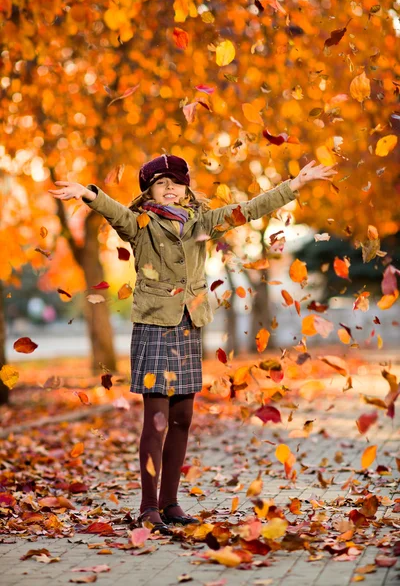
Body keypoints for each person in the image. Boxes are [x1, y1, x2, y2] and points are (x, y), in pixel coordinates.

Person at [48, 154, 337, 535]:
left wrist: (294, 185)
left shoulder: (203, 222)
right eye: (160, 182)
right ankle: (148, 507)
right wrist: (89, 194)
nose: (170, 188)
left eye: (176, 182)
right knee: (156, 420)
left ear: (186, 187)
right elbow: (115, 212)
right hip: (154, 325)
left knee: (183, 418)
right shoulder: (141, 224)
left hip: (187, 324)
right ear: (149, 189)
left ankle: (171, 503)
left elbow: (247, 210)